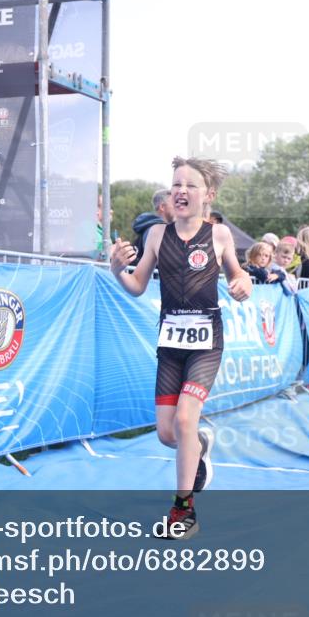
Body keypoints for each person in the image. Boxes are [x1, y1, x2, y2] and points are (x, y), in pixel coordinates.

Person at [109, 157, 251, 539]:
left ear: (209, 195)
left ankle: (183, 511)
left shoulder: (218, 236)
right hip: (170, 343)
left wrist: (243, 285)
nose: (181, 191)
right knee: (168, 434)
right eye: (176, 184)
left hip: (207, 342)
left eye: (190, 185)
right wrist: (116, 270)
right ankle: (201, 444)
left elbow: (238, 275)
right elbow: (137, 285)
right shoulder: (156, 236)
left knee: (187, 420)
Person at [130, 189, 174, 266]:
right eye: (174, 204)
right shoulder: (155, 230)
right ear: (162, 207)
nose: (178, 207)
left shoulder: (150, 227)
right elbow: (163, 262)